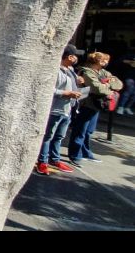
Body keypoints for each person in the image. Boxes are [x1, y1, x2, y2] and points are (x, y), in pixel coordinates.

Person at [68, 52, 123, 167]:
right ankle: (75, 155)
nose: (106, 63)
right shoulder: (87, 72)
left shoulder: (103, 72)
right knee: (80, 131)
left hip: (97, 105)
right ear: (96, 61)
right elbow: (97, 88)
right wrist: (108, 85)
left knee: (88, 132)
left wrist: (106, 84)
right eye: (103, 60)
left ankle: (85, 153)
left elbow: (119, 84)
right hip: (86, 104)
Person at [35, 45, 82, 175]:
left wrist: (77, 83)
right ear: (69, 56)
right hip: (56, 108)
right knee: (48, 136)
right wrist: (66, 93)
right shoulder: (55, 70)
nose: (76, 58)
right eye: (74, 55)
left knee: (60, 136)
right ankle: (42, 161)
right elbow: (48, 89)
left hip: (68, 108)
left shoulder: (71, 70)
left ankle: (55, 159)